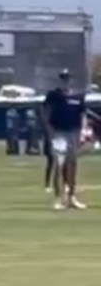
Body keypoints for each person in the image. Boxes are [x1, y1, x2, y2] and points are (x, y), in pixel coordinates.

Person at [40, 68, 88, 211]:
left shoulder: (78, 96)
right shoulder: (53, 95)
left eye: (67, 78)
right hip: (59, 132)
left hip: (74, 132)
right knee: (59, 165)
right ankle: (58, 198)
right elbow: (45, 112)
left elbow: (82, 115)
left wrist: (83, 131)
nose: (65, 81)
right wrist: (49, 131)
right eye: (63, 78)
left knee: (72, 164)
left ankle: (72, 197)